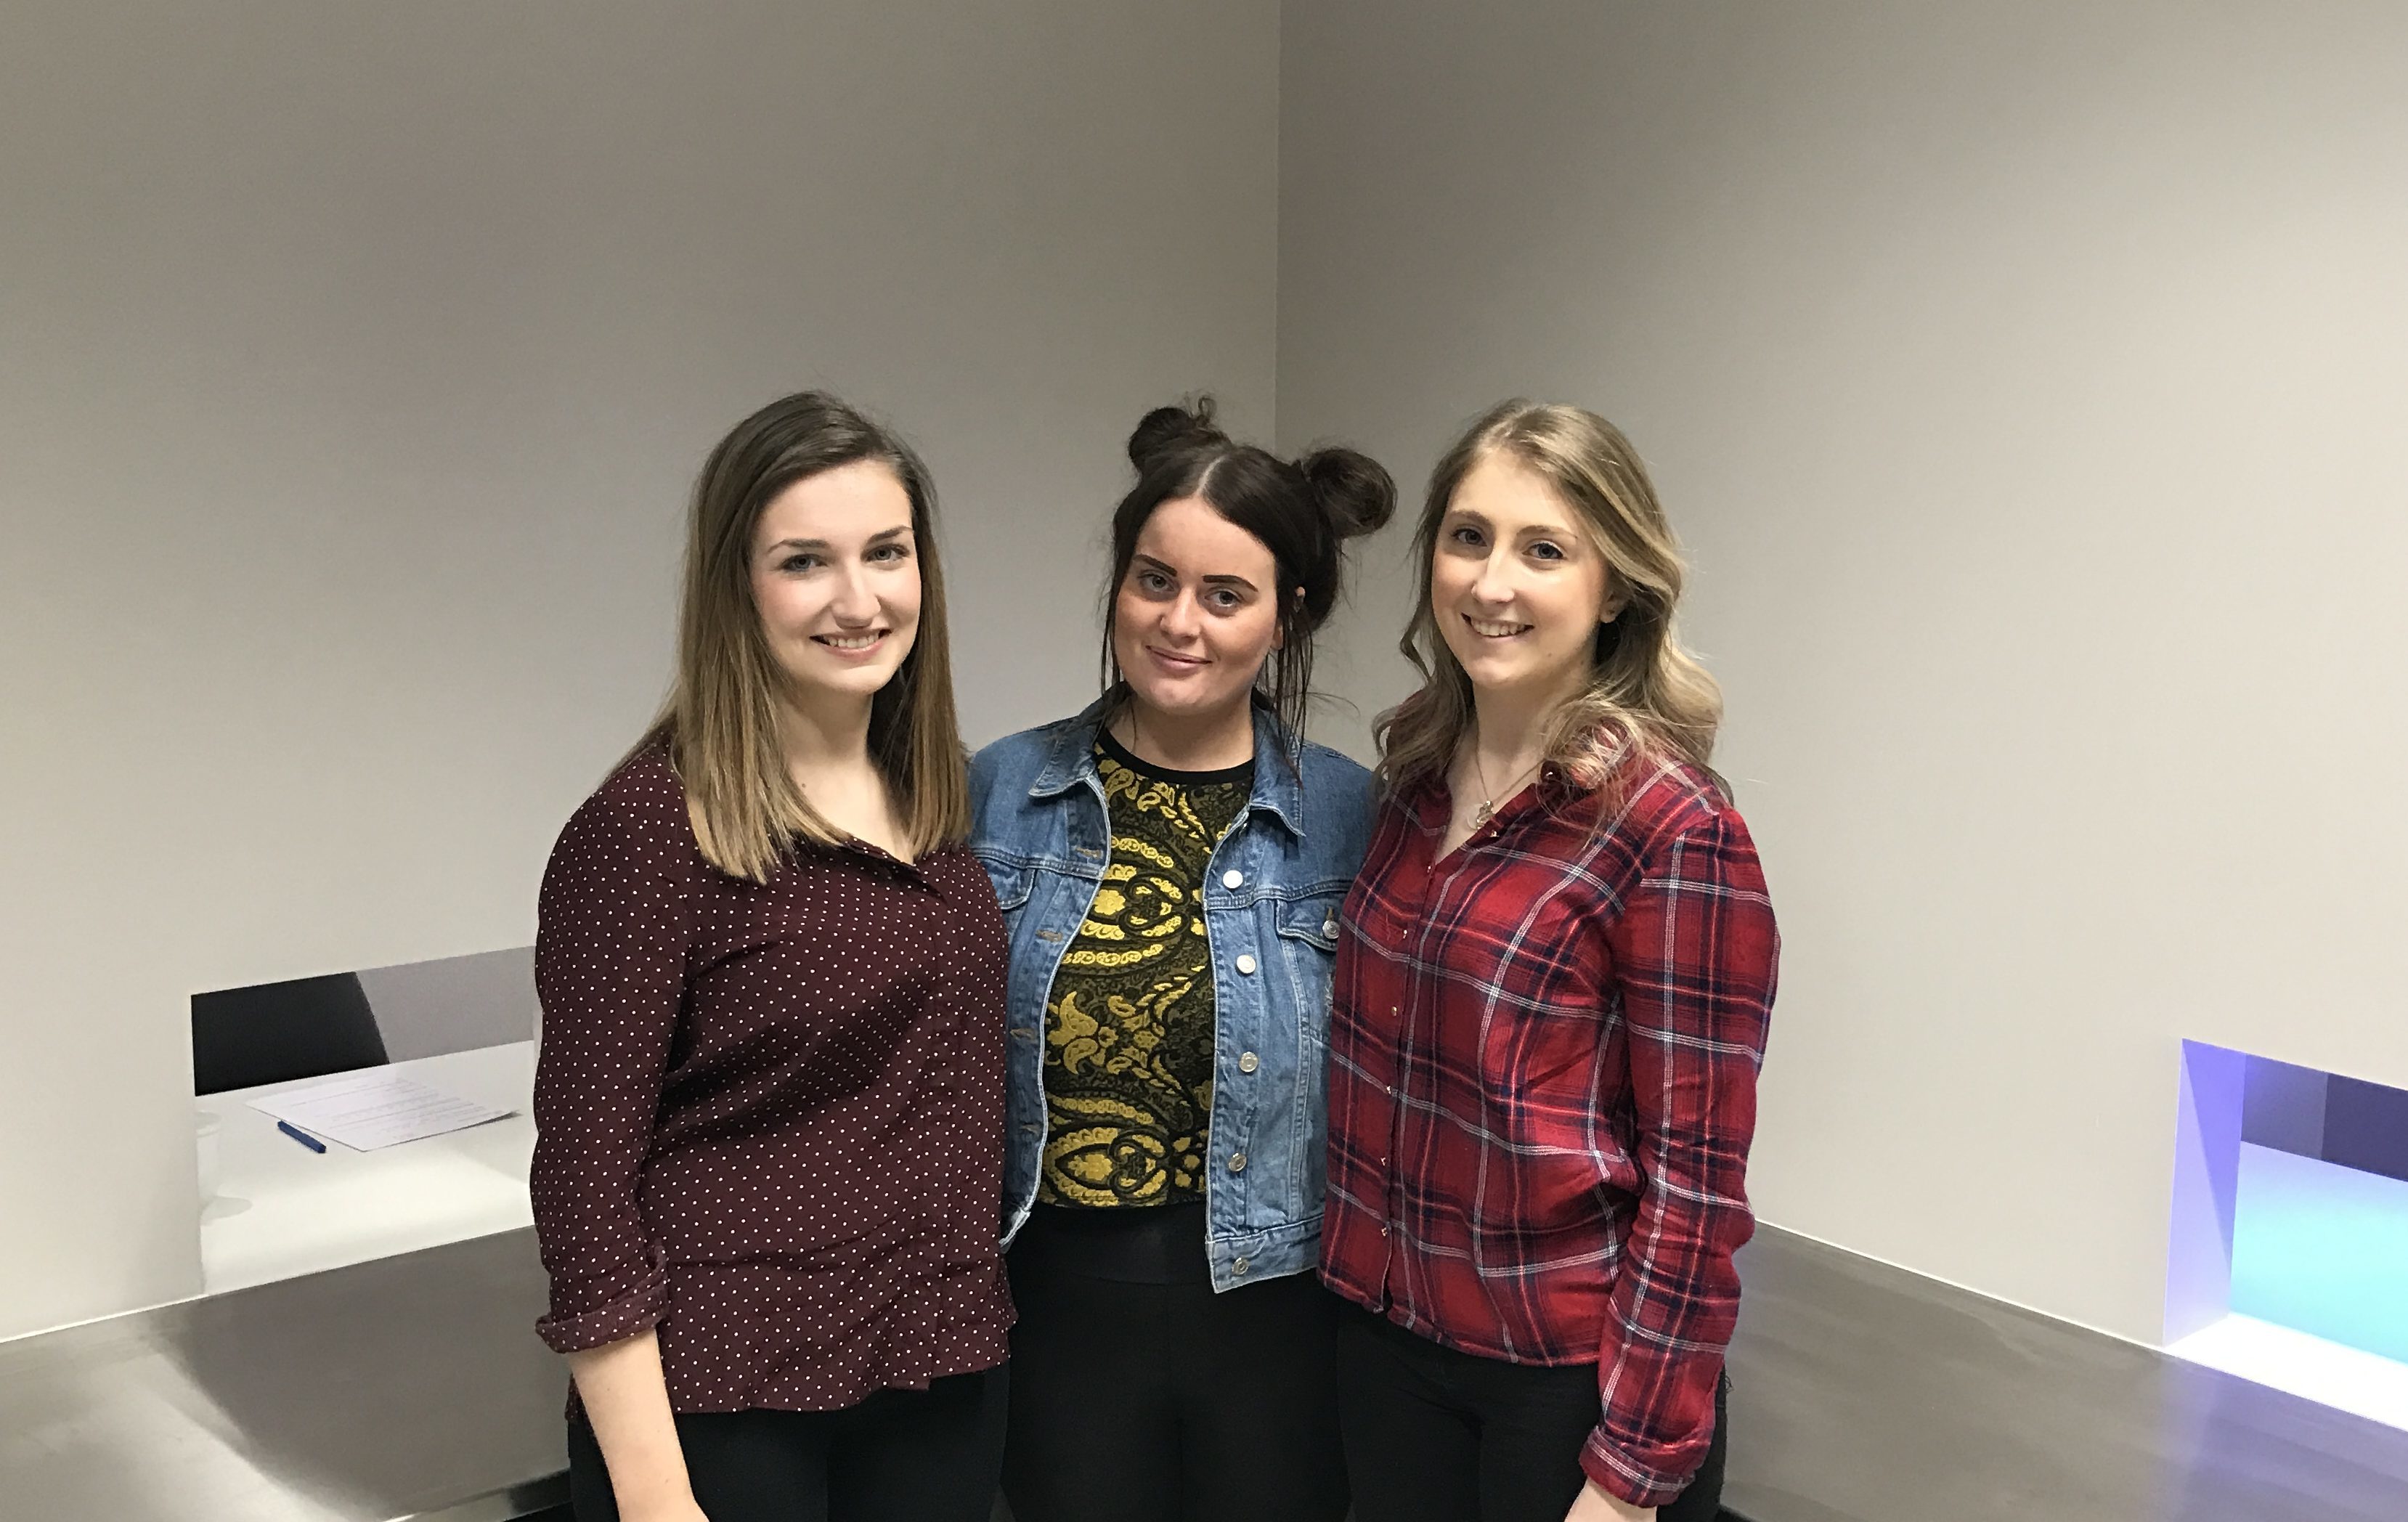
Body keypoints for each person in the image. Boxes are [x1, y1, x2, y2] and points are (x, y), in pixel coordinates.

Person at [529, 391, 1012, 1522]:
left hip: (939, 1366)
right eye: (806, 562)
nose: (860, 600)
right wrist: (657, 1501)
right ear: (736, 588)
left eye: (887, 554)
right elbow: (584, 1185)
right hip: (728, 1406)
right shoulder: (649, 828)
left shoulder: (938, 791)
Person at [1321, 401, 1779, 1522]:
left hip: (1558, 1386)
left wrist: (1630, 1475)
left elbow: (1697, 1184)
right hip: (1383, 1349)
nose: (1493, 583)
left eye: (1544, 550)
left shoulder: (1672, 829)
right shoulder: (1410, 778)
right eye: (1468, 537)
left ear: (1614, 587)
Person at [967, 399, 1394, 1522]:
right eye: (1154, 580)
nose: (1179, 622)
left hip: (1277, 1320)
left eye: (1225, 595)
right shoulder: (999, 792)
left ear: (1287, 618)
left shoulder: (1354, 818)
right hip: (1054, 1306)